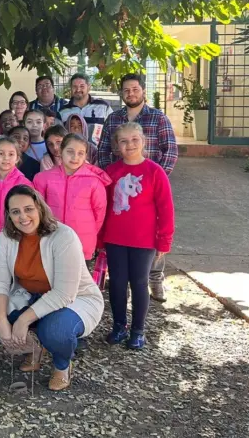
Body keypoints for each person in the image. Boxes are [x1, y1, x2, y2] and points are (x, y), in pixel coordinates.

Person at [0, 185, 104, 391]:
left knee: (55, 331)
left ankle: (62, 365)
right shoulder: (6, 237)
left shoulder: (64, 236)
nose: (23, 217)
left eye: (28, 209)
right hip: (29, 295)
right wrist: (3, 321)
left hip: (75, 298)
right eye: (15, 212)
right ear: (9, 215)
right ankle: (34, 349)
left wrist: (23, 319)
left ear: (39, 207)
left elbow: (64, 293)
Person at [98, 73, 178, 302]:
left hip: (149, 187)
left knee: (152, 232)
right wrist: (112, 178)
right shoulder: (113, 119)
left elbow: (170, 150)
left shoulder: (158, 118)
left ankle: (155, 279)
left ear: (143, 90)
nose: (131, 93)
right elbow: (103, 150)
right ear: (122, 94)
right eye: (126, 90)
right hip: (119, 187)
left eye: (135, 89)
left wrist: (154, 178)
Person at [101, 122, 175, 349]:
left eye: (134, 139)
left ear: (143, 141)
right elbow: (102, 208)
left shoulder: (155, 172)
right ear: (117, 146)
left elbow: (166, 209)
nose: (129, 144)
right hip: (115, 239)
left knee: (140, 282)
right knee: (117, 283)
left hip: (144, 241)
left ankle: (138, 329)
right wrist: (99, 240)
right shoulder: (111, 173)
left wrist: (164, 240)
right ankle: (119, 325)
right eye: (123, 141)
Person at [34, 134, 110, 262]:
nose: (75, 157)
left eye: (81, 153)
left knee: (78, 281)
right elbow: (38, 209)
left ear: (86, 156)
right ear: (61, 151)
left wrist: (90, 233)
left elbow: (99, 213)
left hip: (82, 242)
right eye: (70, 152)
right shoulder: (44, 178)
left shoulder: (94, 182)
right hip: (51, 238)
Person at [59, 73, 113, 140]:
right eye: (74, 86)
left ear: (89, 87)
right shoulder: (63, 111)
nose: (78, 90)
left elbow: (113, 130)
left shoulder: (103, 107)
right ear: (71, 88)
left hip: (99, 149)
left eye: (82, 86)